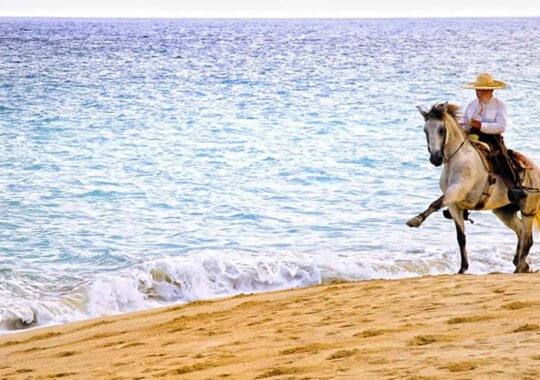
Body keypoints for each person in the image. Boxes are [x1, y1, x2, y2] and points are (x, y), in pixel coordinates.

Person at [461, 72, 525, 202]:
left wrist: (480, 125)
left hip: (491, 138)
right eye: (477, 89)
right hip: (471, 137)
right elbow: (463, 122)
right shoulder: (471, 105)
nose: (479, 92)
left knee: (502, 157)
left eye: (482, 90)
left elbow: (501, 126)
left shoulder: (499, 105)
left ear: (491, 90)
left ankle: (514, 187)